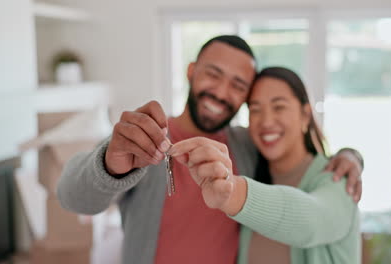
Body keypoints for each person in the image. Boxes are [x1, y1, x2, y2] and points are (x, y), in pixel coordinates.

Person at [57, 35, 363, 264]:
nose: (220, 92)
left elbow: (308, 203)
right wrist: (109, 163)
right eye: (213, 74)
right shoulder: (144, 140)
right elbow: (72, 198)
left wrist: (351, 156)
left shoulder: (247, 146)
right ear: (191, 71)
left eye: (237, 85)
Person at [170, 67, 360, 263]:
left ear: (305, 115)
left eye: (279, 107)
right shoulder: (251, 167)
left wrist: (231, 192)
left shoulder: (338, 179)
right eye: (255, 109)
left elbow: (311, 222)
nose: (266, 121)